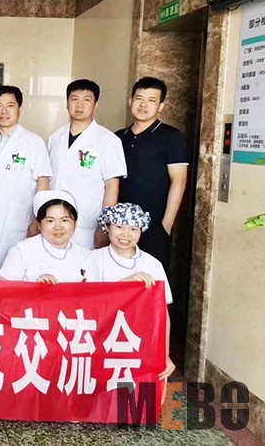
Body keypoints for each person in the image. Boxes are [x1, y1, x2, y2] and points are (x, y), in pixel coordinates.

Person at [93, 202, 176, 380]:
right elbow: (87, 301)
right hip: (101, 340)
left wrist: (165, 353)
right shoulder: (93, 259)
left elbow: (162, 313)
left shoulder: (152, 264)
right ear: (107, 227)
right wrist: (126, 284)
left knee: (136, 391)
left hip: (140, 341)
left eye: (133, 229)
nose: (126, 234)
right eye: (119, 226)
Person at [116, 77, 189, 272]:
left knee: (151, 279)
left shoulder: (171, 137)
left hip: (154, 225)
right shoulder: (118, 137)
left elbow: (179, 181)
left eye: (151, 100)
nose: (143, 105)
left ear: (161, 106)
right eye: (139, 98)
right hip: (120, 226)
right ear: (130, 101)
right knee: (119, 276)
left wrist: (167, 224)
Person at [0, 85, 52, 270]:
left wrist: (37, 219)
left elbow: (43, 183)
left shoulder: (33, 142)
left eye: (10, 106)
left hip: (18, 221)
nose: (4, 112)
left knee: (14, 270)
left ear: (20, 109)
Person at [47, 79, 126, 249]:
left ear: (95, 105)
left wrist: (105, 226)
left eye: (86, 100)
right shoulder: (55, 138)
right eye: (74, 99)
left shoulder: (108, 140)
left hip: (86, 226)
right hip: (54, 223)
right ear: (67, 103)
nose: (79, 105)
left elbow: (112, 187)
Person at [0, 190, 95, 283]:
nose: (58, 227)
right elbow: (1, 288)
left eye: (64, 220)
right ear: (39, 225)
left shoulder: (85, 257)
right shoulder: (22, 252)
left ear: (75, 224)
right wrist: (37, 287)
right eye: (50, 221)